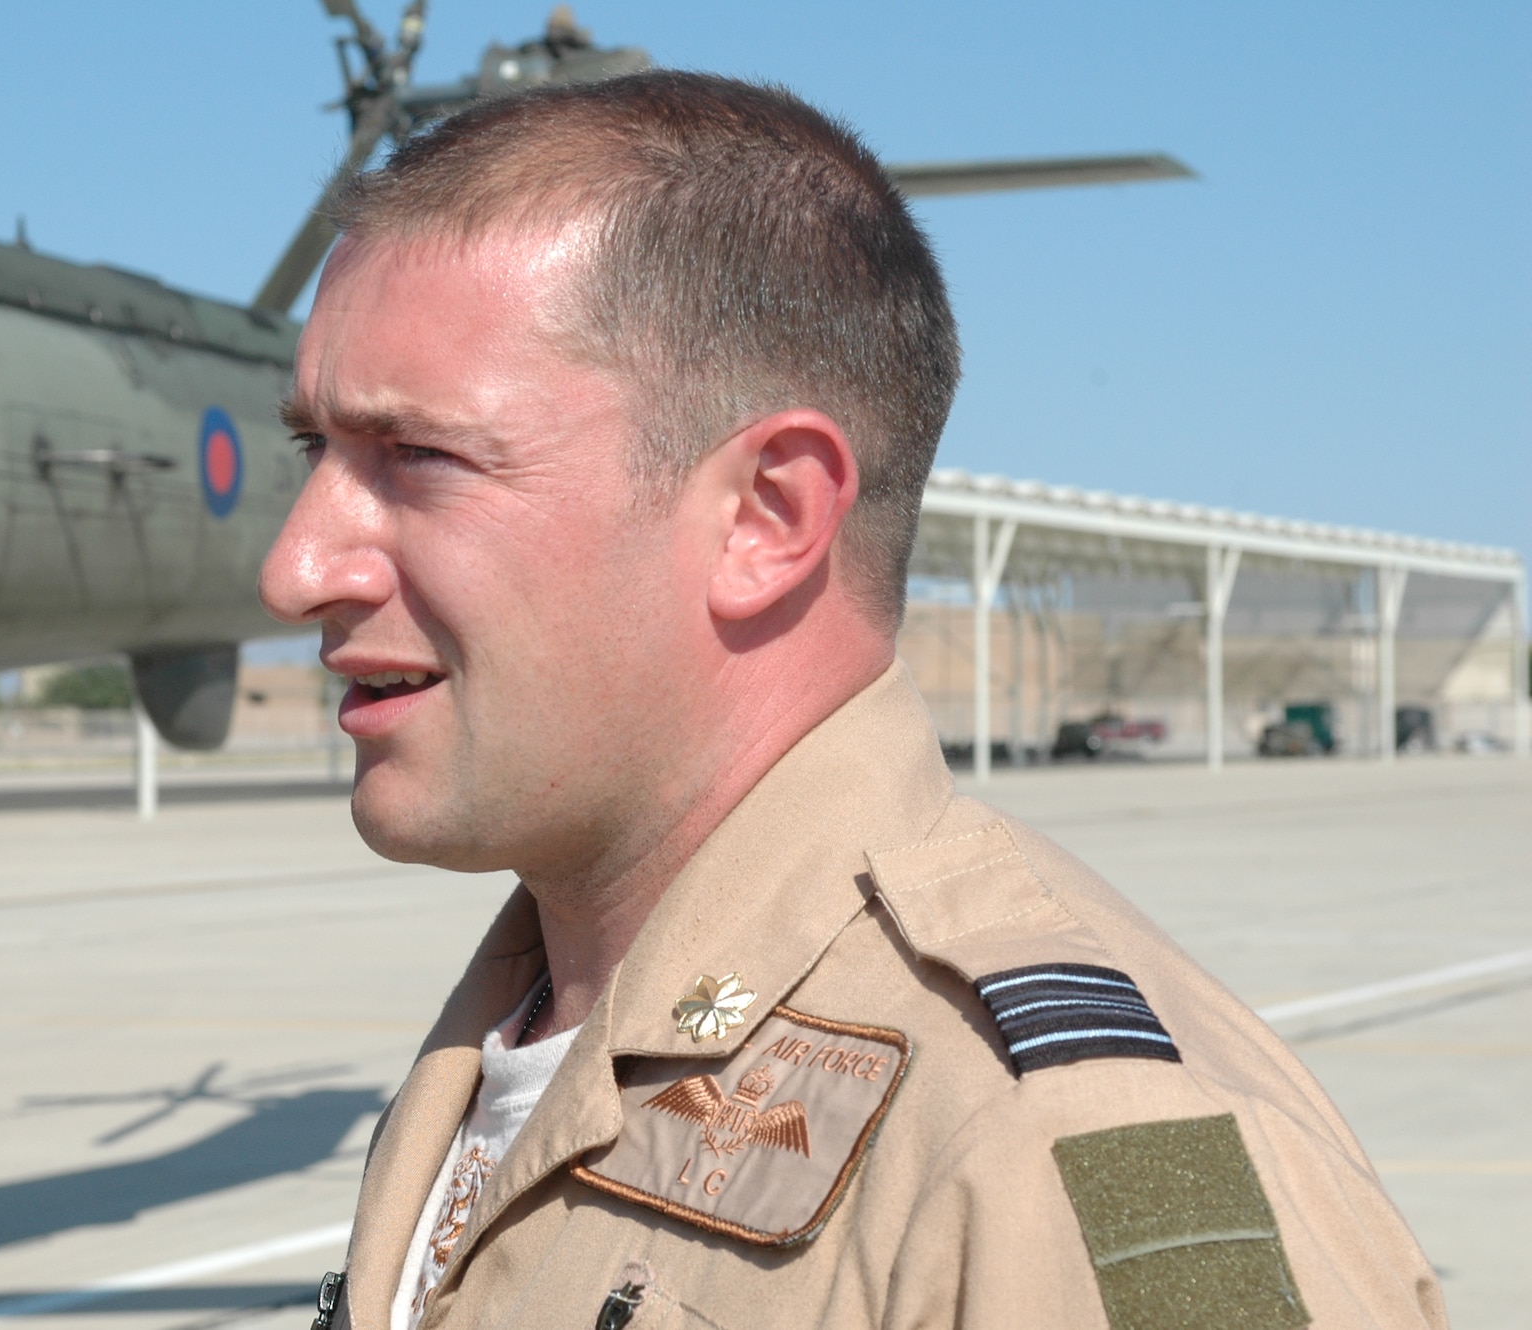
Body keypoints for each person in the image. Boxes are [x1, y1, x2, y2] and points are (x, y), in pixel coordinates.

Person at [261, 71, 1444, 1330]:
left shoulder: (1068, 1146)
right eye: (313, 452)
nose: (294, 568)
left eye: (419, 458)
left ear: (766, 517)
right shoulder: (517, 1025)